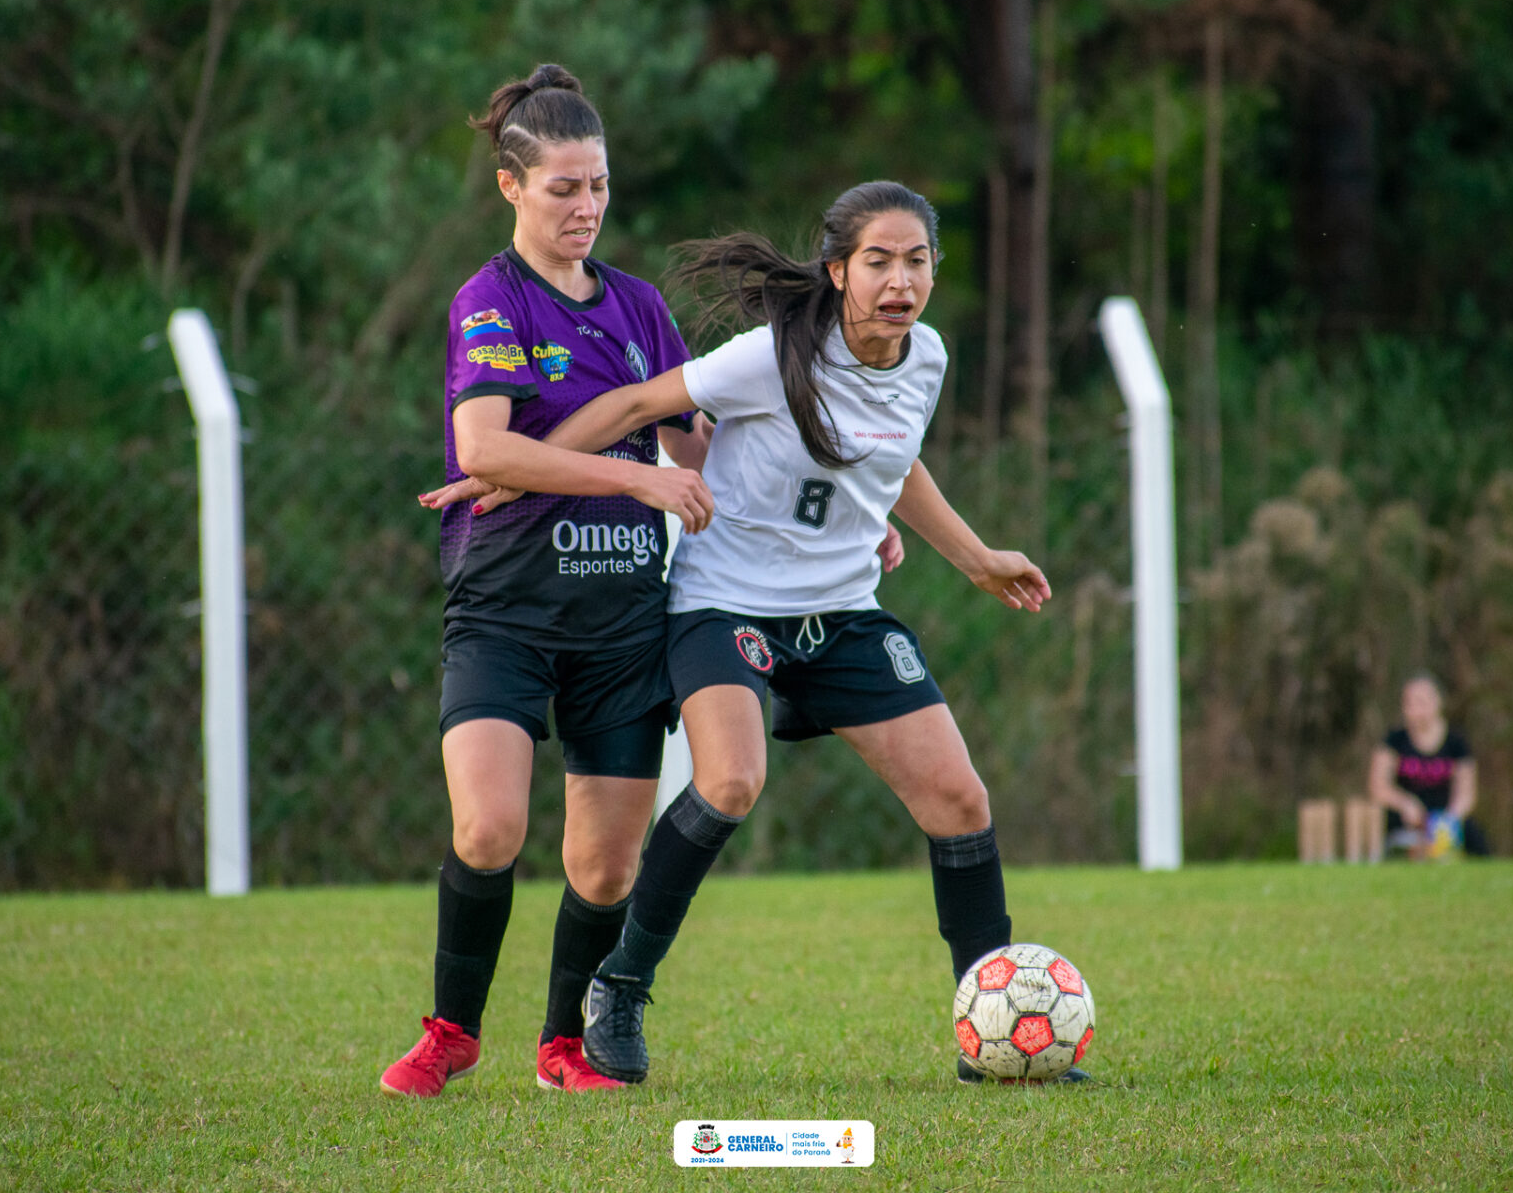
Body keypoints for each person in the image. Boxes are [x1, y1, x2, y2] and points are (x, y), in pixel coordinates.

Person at [455, 180, 1085, 1087]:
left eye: (916, 261)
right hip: (724, 606)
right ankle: (619, 988)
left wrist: (977, 557)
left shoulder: (928, 358)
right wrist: (529, 474)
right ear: (838, 272)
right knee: (732, 779)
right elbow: (639, 406)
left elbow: (891, 464)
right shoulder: (771, 353)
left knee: (960, 801)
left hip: (843, 614)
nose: (899, 280)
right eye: (878, 261)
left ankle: (987, 1033)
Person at [378, 63, 717, 1097]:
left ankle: (562, 1043)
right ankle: (450, 1031)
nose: (587, 207)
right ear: (511, 187)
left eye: (600, 185)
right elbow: (487, 452)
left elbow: (697, 445)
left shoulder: (642, 308)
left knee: (605, 867)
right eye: (564, 187)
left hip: (623, 621)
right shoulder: (491, 301)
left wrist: (846, 515)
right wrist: (628, 471)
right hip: (507, 609)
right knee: (487, 827)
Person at [1368, 674, 1490, 858]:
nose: (1415, 709)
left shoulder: (1457, 743)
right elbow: (1378, 786)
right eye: (1410, 702)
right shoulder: (1394, 741)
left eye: (1421, 701)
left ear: (1437, 701)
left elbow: (1467, 792)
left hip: (1446, 816)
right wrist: (1405, 804)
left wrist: (1450, 819)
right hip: (1406, 817)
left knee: (1479, 847)